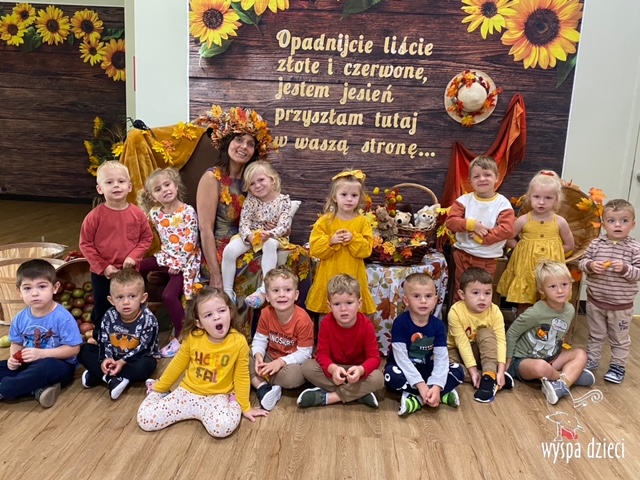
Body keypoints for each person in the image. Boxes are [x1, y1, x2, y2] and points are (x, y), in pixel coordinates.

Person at [137, 287, 268, 437]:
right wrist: (161, 387)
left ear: (230, 312)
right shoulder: (193, 337)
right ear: (199, 323)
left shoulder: (238, 342)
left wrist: (245, 407)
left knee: (222, 428)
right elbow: (177, 365)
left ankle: (232, 401)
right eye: (208, 315)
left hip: (217, 397)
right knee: (145, 419)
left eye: (221, 311)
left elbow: (242, 375)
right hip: (187, 392)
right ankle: (157, 389)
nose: (217, 317)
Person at [194, 106, 278, 326]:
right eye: (239, 140)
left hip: (249, 242)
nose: (244, 147)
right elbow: (205, 230)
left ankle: (268, 331)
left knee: (287, 258)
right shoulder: (212, 178)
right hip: (220, 251)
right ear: (227, 142)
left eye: (250, 144)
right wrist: (215, 274)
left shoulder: (256, 181)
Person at [80, 160, 154, 339]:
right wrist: (103, 267)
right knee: (103, 306)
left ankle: (134, 336)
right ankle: (102, 338)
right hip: (103, 274)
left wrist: (134, 256)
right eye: (109, 182)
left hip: (130, 273)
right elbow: (85, 244)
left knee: (132, 305)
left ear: (129, 187)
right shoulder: (94, 217)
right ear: (100, 189)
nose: (116, 186)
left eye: (121, 181)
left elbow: (146, 238)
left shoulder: (137, 214)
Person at [506, 260, 595, 405]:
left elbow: (559, 338)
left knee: (581, 354)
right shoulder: (535, 313)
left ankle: (560, 385)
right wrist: (507, 360)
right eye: (553, 286)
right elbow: (512, 333)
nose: (560, 290)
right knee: (541, 367)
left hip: (551, 357)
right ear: (542, 290)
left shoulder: (570, 310)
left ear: (571, 285)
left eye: (564, 285)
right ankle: (569, 378)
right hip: (523, 361)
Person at [0, 259, 83, 408]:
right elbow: (17, 343)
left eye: (42, 286)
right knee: (5, 366)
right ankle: (37, 389)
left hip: (59, 366)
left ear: (55, 288)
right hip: (29, 363)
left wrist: (42, 354)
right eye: (27, 288)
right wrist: (14, 359)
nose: (35, 293)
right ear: (19, 291)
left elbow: (74, 349)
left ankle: (7, 388)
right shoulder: (20, 318)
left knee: (45, 367)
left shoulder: (62, 317)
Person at [137, 167, 202, 357]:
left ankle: (182, 337)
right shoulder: (155, 213)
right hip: (166, 256)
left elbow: (191, 242)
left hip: (185, 260)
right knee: (135, 267)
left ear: (176, 186)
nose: (164, 190)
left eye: (167, 185)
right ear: (153, 196)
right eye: (158, 189)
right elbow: (141, 229)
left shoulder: (187, 211)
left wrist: (178, 264)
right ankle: (137, 311)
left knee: (169, 295)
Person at [298, 274, 383, 408]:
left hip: (356, 370)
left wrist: (361, 370)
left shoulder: (366, 325)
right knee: (307, 367)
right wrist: (333, 369)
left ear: (359, 303)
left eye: (349, 303)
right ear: (329, 306)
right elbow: (322, 354)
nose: (343, 309)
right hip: (335, 368)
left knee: (378, 378)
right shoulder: (326, 323)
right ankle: (358, 394)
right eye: (337, 304)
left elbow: (374, 358)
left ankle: (329, 397)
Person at [384, 273, 463, 416]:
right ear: (406, 300)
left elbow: (441, 358)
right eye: (416, 296)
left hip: (427, 369)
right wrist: (420, 385)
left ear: (435, 300)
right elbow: (401, 358)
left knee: (458, 370)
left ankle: (423, 396)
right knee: (390, 376)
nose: (423, 301)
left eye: (428, 296)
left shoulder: (438, 325)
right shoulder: (400, 323)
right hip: (404, 369)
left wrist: (437, 385)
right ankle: (436, 394)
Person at [579, 199, 640, 384]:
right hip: (596, 301)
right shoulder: (596, 244)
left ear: (633, 224)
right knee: (595, 334)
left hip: (621, 306)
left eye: (624, 221)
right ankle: (591, 360)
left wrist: (625, 269)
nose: (618, 225)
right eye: (612, 221)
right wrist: (591, 265)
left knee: (619, 338)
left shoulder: (634, 248)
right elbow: (582, 262)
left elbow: (638, 273)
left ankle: (617, 366)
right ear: (604, 224)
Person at [497, 170, 574, 315]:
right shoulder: (523, 220)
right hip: (526, 268)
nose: (541, 202)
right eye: (537, 197)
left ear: (556, 200)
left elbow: (570, 245)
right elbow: (507, 237)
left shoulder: (560, 222)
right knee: (525, 301)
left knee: (550, 300)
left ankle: (547, 327)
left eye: (548, 198)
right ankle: (522, 324)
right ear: (529, 197)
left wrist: (554, 252)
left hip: (550, 271)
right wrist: (520, 247)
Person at [78, 269, 159, 400]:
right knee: (84, 350)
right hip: (114, 356)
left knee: (146, 366)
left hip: (136, 359)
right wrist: (106, 358)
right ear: (111, 300)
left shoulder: (149, 319)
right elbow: (104, 340)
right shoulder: (109, 315)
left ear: (143, 298)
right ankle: (111, 378)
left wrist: (122, 361)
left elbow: (146, 348)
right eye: (120, 297)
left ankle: (100, 374)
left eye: (132, 296)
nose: (126, 302)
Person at [222, 161, 293, 309]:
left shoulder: (283, 201)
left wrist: (270, 233)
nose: (257, 185)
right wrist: (249, 236)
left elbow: (284, 225)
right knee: (229, 250)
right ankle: (227, 292)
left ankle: (263, 289)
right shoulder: (251, 200)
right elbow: (244, 224)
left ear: (272, 180)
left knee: (269, 245)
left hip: (274, 237)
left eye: (261, 180)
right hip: (253, 235)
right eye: (252, 184)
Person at [305, 170, 376, 317]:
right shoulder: (325, 221)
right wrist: (330, 241)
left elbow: (367, 250)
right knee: (328, 314)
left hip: (354, 274)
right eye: (344, 194)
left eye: (354, 195)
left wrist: (353, 239)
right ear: (334, 197)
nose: (349, 199)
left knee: (353, 313)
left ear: (360, 198)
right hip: (329, 274)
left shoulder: (362, 222)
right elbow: (315, 249)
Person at [445, 155, 515, 301]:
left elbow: (507, 230)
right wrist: (472, 225)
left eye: (487, 175)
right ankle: (459, 315)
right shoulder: (464, 201)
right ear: (470, 180)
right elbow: (451, 222)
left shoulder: (502, 204)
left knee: (481, 294)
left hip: (488, 259)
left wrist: (482, 238)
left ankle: (479, 316)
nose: (482, 179)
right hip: (463, 255)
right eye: (476, 176)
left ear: (497, 177)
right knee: (462, 291)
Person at [250, 267, 314, 410]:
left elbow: (305, 353)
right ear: (267, 296)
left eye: (287, 290)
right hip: (270, 357)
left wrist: (280, 362)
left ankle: (260, 380)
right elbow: (260, 339)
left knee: (294, 376)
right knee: (243, 356)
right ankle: (263, 387)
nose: (282, 295)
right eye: (275, 290)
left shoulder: (303, 320)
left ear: (296, 295)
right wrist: (258, 355)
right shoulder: (266, 313)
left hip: (290, 363)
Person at [447, 267, 513, 403]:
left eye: (487, 293)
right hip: (457, 352)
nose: (482, 298)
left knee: (486, 333)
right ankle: (488, 377)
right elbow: (462, 344)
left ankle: (489, 377)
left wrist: (501, 370)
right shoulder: (455, 311)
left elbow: (501, 341)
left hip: (484, 352)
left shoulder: (495, 311)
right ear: (462, 294)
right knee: (441, 363)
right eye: (475, 293)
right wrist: (472, 371)